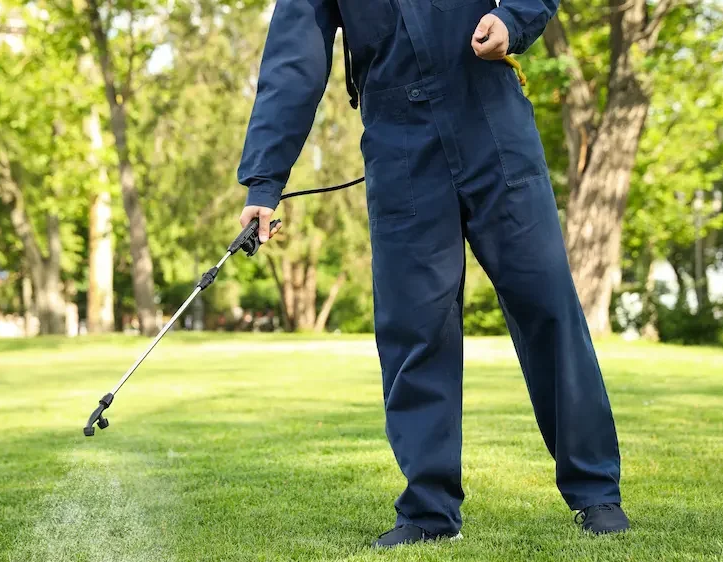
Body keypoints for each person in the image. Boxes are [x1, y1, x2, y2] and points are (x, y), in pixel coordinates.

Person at [236, 0, 629, 547]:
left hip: (489, 117)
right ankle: (428, 511)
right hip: (399, 144)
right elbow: (294, 59)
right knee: (416, 329)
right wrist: (265, 182)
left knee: (547, 308)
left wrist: (513, 21)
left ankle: (595, 493)